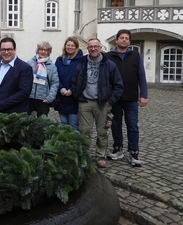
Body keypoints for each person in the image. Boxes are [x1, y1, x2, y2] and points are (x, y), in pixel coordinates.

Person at [71, 38, 123, 168]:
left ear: (100, 48)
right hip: (85, 102)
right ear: (87, 49)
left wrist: (110, 101)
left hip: (102, 103)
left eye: (96, 46)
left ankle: (100, 156)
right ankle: (85, 156)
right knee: (84, 131)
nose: (93, 49)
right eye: (90, 47)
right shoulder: (82, 63)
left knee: (102, 131)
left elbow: (118, 85)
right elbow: (75, 81)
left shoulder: (109, 64)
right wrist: (78, 95)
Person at [105, 29, 148, 167]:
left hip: (131, 97)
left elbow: (141, 76)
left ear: (129, 41)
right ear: (116, 40)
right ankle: (118, 149)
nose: (124, 40)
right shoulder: (108, 56)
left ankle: (134, 152)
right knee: (115, 125)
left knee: (132, 125)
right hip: (114, 98)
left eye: (127, 38)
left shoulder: (135, 56)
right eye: (122, 38)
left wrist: (143, 95)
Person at [0, 37, 33, 114]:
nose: (6, 52)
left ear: (15, 50)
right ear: (0, 51)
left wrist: (1, 104)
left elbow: (24, 93)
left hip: (15, 116)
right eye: (3, 49)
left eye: (9, 49)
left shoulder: (25, 68)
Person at [54, 37, 84, 131]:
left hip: (74, 98)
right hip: (61, 97)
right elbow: (55, 76)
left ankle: (74, 145)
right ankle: (64, 145)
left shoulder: (81, 61)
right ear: (65, 46)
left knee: (73, 125)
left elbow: (81, 78)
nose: (70, 47)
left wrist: (72, 90)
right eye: (68, 45)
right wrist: (61, 88)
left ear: (76, 47)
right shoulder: (59, 60)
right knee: (63, 125)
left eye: (72, 45)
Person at [27, 42, 59, 117]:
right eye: (41, 49)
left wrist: (50, 98)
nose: (43, 52)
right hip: (29, 98)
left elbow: (55, 83)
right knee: (27, 123)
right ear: (37, 50)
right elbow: (24, 79)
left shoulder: (52, 67)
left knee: (42, 124)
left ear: (49, 52)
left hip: (43, 101)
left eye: (46, 50)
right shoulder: (30, 63)